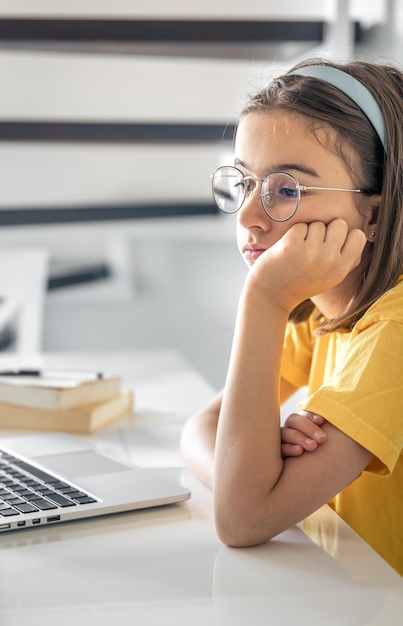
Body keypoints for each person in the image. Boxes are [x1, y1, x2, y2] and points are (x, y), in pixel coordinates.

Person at [180, 58, 403, 576]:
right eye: (245, 182)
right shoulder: (323, 308)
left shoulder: (393, 333)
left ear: (373, 212)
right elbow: (201, 427)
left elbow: (242, 518)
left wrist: (263, 299)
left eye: (287, 190)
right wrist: (254, 467)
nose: (247, 216)